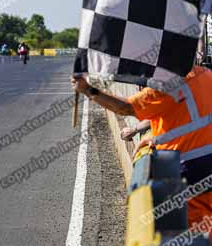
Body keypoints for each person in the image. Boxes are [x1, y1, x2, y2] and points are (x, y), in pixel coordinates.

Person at [71, 68, 212, 227]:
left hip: (190, 170)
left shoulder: (167, 84)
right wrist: (157, 136)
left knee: (197, 235)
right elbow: (187, 115)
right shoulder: (206, 75)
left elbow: (126, 108)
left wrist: (89, 90)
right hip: (204, 166)